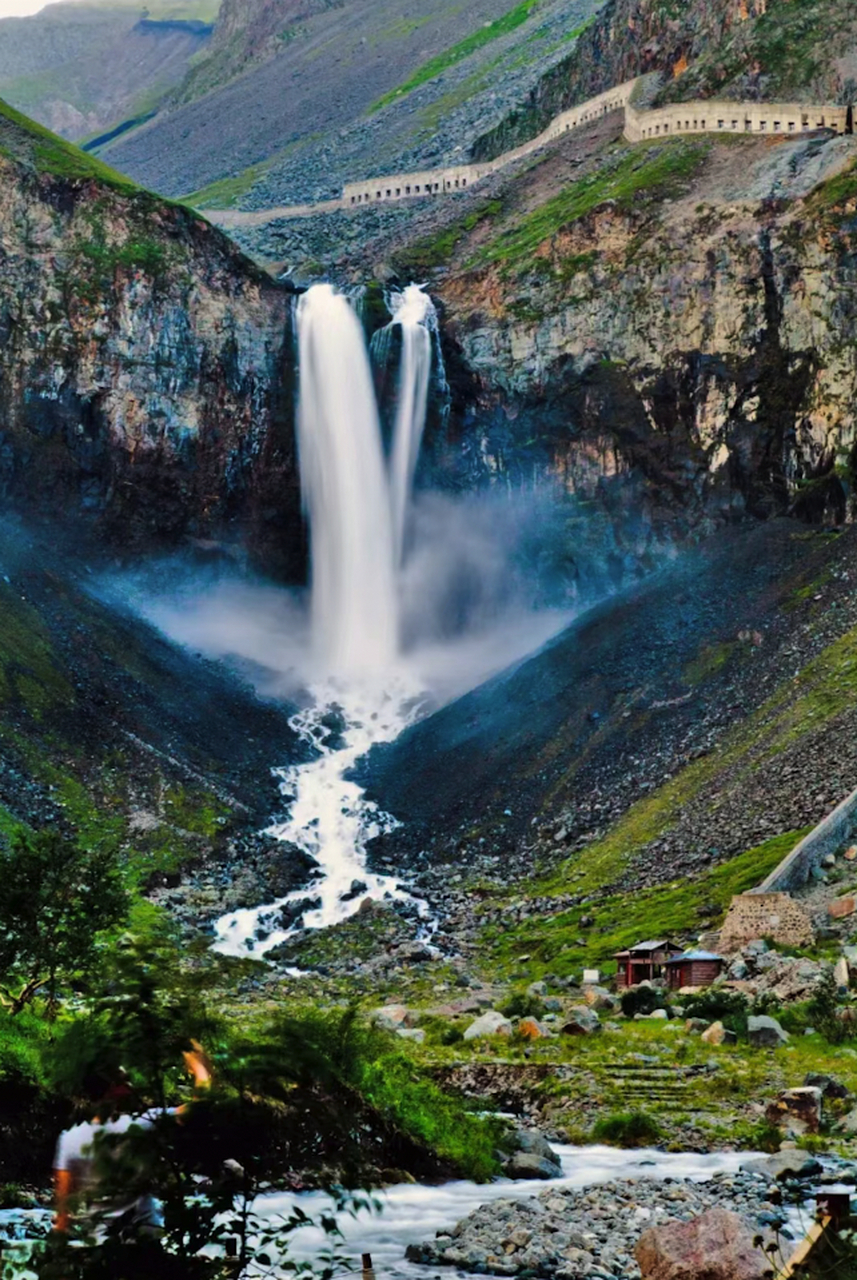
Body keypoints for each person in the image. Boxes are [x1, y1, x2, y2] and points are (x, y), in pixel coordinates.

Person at [53, 1043, 213, 1238]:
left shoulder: (69, 1138)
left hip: (98, 1240)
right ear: (113, 1088)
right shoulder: (140, 1125)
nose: (130, 1086)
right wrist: (198, 1067)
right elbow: (198, 1108)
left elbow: (63, 1210)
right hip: (144, 1237)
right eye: (124, 1081)